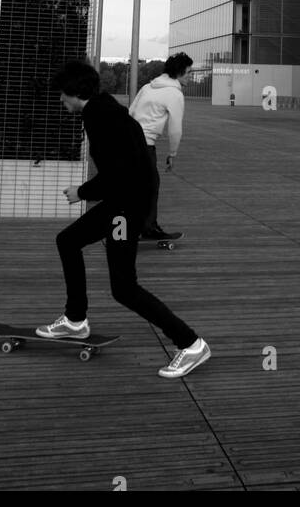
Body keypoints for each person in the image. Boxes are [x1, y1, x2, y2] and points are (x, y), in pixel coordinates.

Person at [36, 60, 210, 380]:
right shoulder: (103, 110)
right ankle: (75, 321)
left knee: (124, 288)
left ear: (76, 92)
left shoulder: (102, 118)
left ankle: (191, 343)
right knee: (68, 240)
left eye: (62, 95)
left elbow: (118, 174)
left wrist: (82, 191)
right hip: (125, 202)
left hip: (124, 210)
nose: (61, 100)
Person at [129, 53, 193, 241]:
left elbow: (131, 112)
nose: (190, 76)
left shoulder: (147, 87)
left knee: (133, 188)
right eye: (189, 72)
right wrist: (172, 154)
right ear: (179, 73)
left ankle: (128, 229)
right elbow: (175, 129)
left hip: (128, 142)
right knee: (151, 187)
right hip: (144, 146)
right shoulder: (174, 93)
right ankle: (148, 229)